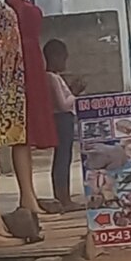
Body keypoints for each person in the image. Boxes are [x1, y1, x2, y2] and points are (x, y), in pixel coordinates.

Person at [43, 39, 84, 211]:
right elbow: (62, 104)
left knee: (63, 157)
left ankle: (63, 196)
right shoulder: (52, 78)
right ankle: (64, 198)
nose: (65, 63)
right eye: (63, 59)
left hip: (63, 120)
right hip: (62, 119)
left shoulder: (55, 77)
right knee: (63, 158)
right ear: (54, 57)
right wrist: (74, 92)